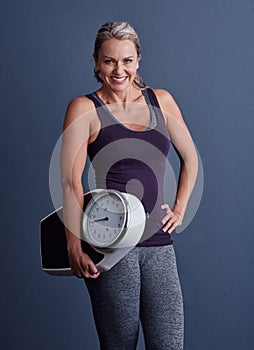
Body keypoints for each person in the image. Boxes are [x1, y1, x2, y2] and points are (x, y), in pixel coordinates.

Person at [60, 21, 198, 350]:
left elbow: (190, 159)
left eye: (126, 60)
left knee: (169, 344)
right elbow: (69, 180)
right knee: (119, 346)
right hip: (110, 247)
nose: (118, 69)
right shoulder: (84, 108)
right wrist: (74, 245)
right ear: (96, 62)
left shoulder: (161, 101)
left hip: (159, 246)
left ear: (137, 60)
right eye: (109, 61)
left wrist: (180, 209)